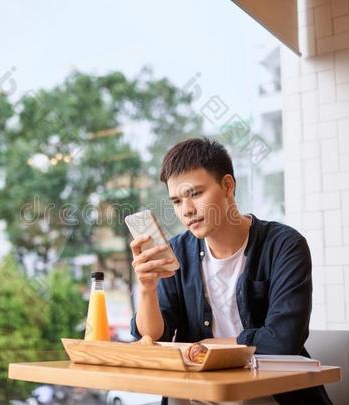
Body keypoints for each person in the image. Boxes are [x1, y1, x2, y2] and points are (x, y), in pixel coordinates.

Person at [129, 138, 331, 405]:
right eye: (177, 201)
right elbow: (153, 337)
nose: (187, 210)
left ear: (227, 186)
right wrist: (147, 288)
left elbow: (283, 341)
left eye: (196, 194)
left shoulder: (284, 245)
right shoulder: (177, 252)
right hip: (201, 394)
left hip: (275, 394)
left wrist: (208, 346)